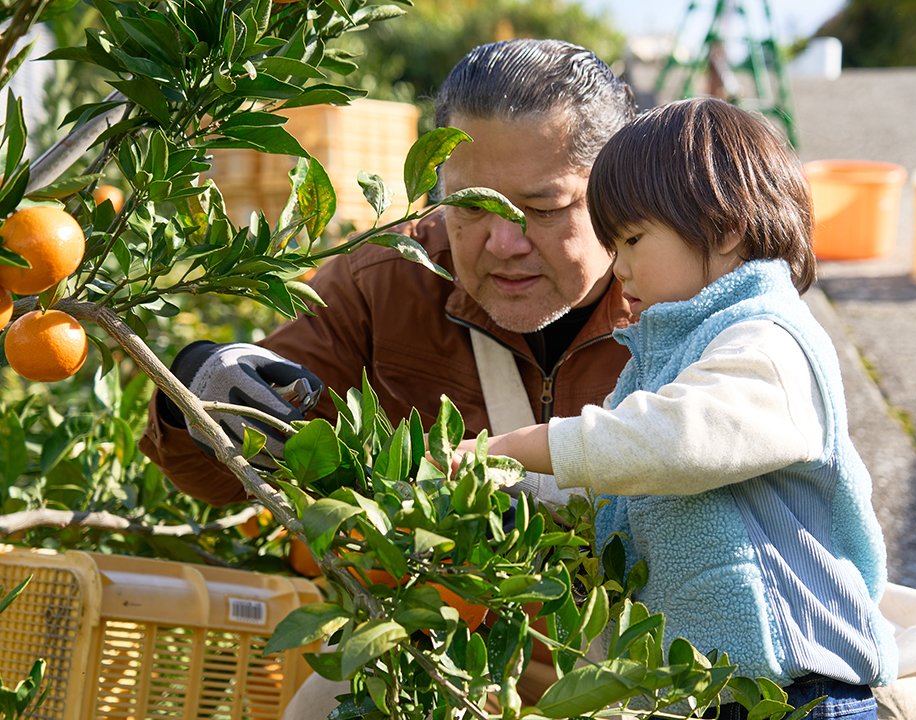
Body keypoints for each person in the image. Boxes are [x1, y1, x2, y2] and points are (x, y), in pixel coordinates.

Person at [136, 38, 637, 718]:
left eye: (542, 208)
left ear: (613, 190)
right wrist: (197, 389)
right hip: (435, 661)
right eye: (472, 206)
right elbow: (222, 474)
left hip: (641, 673)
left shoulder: (679, 297)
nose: (504, 243)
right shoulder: (388, 281)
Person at [455, 98, 899, 720]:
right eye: (613, 244)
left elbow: (676, 442)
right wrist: (500, 487)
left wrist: (517, 446)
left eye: (633, 240)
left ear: (725, 229)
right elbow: (609, 490)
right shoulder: (663, 356)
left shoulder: (770, 341)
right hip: (699, 692)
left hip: (795, 690)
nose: (621, 266)